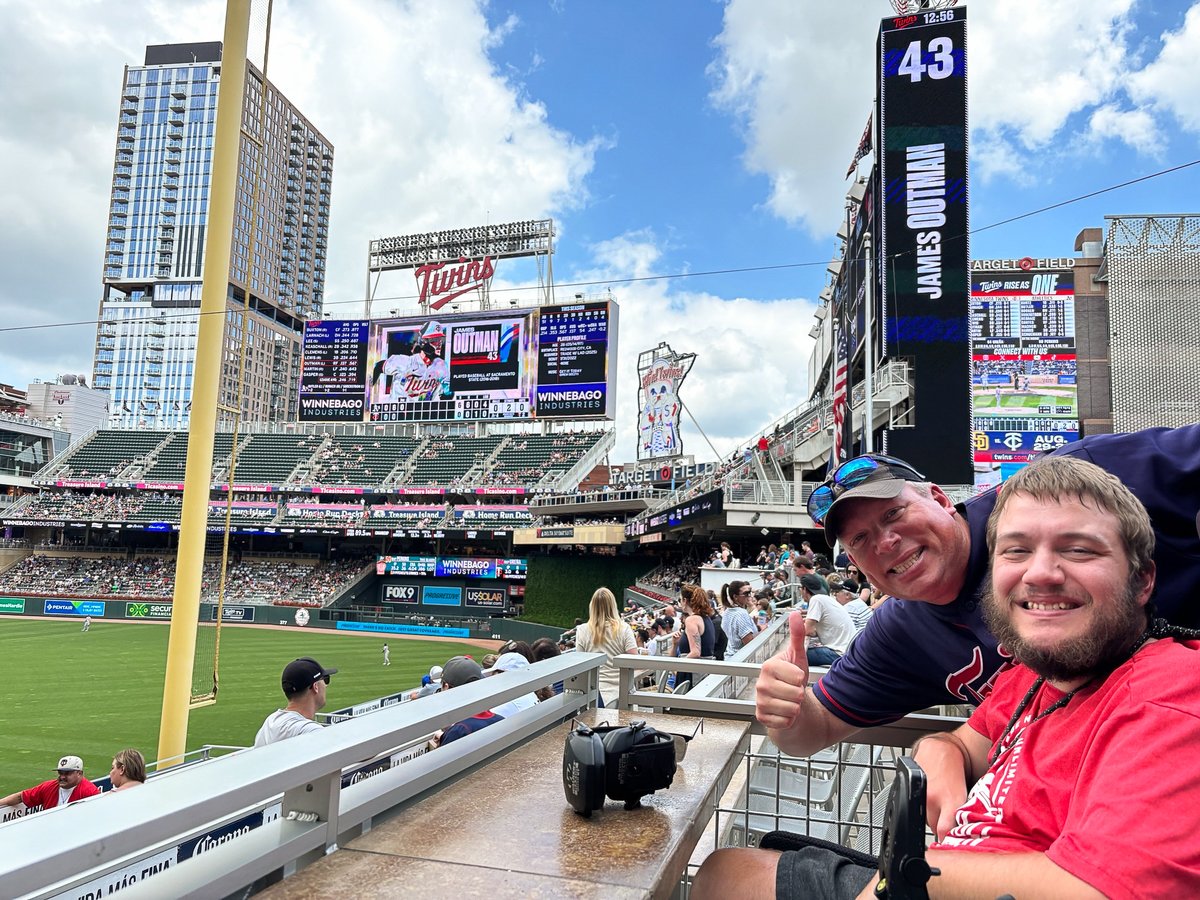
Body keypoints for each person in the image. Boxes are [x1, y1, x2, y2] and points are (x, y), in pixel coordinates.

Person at [699, 455, 1200, 899]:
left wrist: (901, 880)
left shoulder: (1167, 690)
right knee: (729, 868)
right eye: (1017, 552)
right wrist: (790, 708)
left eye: (1079, 550)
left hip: (956, 875)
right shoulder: (1029, 671)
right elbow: (817, 728)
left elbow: (1104, 885)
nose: (1041, 575)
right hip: (960, 857)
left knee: (730, 878)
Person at [757, 426, 1200, 758]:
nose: (885, 542)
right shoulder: (902, 634)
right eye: (860, 540)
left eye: (894, 514)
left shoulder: (1072, 486)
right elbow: (813, 730)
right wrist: (787, 713)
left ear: (941, 499)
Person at [574, 587, 637, 707]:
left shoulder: (582, 630)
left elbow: (580, 665)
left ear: (592, 606)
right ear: (613, 605)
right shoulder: (624, 628)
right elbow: (634, 659)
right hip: (623, 693)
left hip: (596, 695)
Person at [254, 657, 337, 747]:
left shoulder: (270, 722)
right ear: (315, 687)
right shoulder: (312, 731)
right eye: (325, 679)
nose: (326, 685)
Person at [436, 656, 505, 746]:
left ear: (446, 687)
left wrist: (448, 736)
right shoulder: (500, 720)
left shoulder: (459, 731)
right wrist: (445, 736)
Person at [1, 755, 100, 811]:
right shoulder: (49, 787)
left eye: (67, 773)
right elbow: (20, 797)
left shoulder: (90, 792)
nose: (62, 777)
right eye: (60, 773)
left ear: (80, 773)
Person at [796, 574, 856, 667]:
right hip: (847, 651)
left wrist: (796, 624)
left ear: (804, 589)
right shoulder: (825, 599)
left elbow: (808, 631)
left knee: (796, 656)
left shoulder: (816, 600)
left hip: (838, 654)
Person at [675, 583, 717, 689]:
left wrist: (677, 665)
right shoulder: (706, 618)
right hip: (703, 671)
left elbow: (695, 652)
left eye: (680, 600)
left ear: (685, 600)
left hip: (692, 674)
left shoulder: (692, 620)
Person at [484, 651, 540, 718]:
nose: (492, 678)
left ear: (503, 674)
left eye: (495, 673)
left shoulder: (507, 703)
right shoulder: (529, 694)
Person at [720, 580, 762, 654]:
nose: (749, 596)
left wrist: (753, 625)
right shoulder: (741, 614)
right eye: (745, 594)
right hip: (740, 657)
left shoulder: (727, 611)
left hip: (731, 655)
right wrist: (763, 631)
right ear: (735, 597)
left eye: (749, 593)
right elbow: (749, 643)